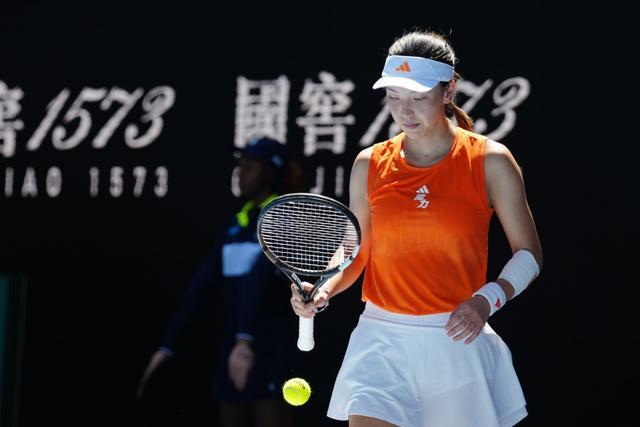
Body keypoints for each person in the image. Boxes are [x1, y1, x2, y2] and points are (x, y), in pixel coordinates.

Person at [290, 30, 543, 427]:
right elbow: (356, 250)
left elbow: (529, 254)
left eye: (418, 98)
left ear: (449, 90)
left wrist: (486, 300)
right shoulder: (369, 163)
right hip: (380, 343)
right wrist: (323, 289)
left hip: (455, 341)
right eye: (393, 97)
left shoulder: (491, 161)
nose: (404, 111)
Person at [138, 136, 303, 427]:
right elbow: (200, 287)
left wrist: (245, 339)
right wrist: (168, 346)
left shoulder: (283, 219)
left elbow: (258, 279)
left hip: (271, 342)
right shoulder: (234, 226)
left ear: (271, 173)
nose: (241, 173)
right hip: (234, 342)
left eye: (251, 166)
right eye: (241, 165)